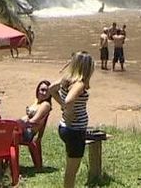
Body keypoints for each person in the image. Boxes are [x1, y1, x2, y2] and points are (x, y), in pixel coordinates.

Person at [53, 51, 93, 188]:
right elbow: (70, 100)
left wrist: (63, 106)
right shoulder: (79, 84)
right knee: (72, 171)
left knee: (70, 168)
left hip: (66, 127)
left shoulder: (67, 79)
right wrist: (67, 110)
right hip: (74, 130)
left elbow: (51, 89)